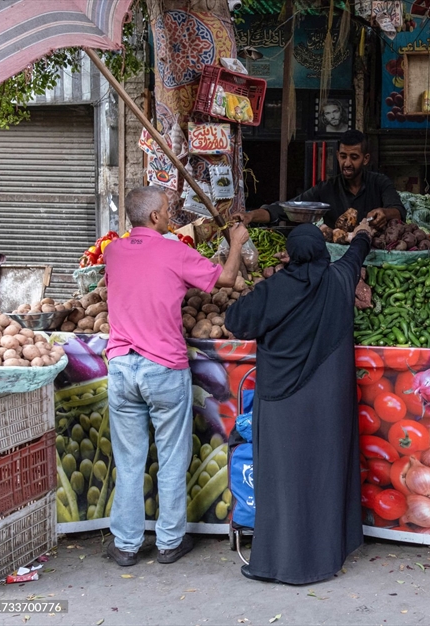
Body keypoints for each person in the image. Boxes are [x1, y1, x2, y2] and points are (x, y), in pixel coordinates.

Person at [104, 187, 249, 567]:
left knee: (129, 459)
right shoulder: (174, 251)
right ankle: (169, 542)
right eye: (167, 211)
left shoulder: (113, 252)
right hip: (164, 368)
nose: (171, 217)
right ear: (153, 217)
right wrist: (235, 242)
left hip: (121, 366)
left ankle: (126, 545)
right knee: (171, 457)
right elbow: (230, 279)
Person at [224, 221, 373, 584]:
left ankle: (278, 563)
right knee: (324, 475)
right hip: (328, 403)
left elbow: (234, 322)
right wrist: (364, 234)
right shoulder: (339, 279)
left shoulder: (273, 289)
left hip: (281, 402)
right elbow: (355, 254)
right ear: (322, 252)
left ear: (290, 254)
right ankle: (325, 558)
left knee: (281, 481)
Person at [239, 130, 404, 230]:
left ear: (366, 159)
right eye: (343, 156)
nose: (347, 163)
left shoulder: (379, 182)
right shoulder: (327, 188)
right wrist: (251, 216)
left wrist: (385, 213)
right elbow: (285, 209)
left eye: (354, 157)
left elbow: (398, 210)